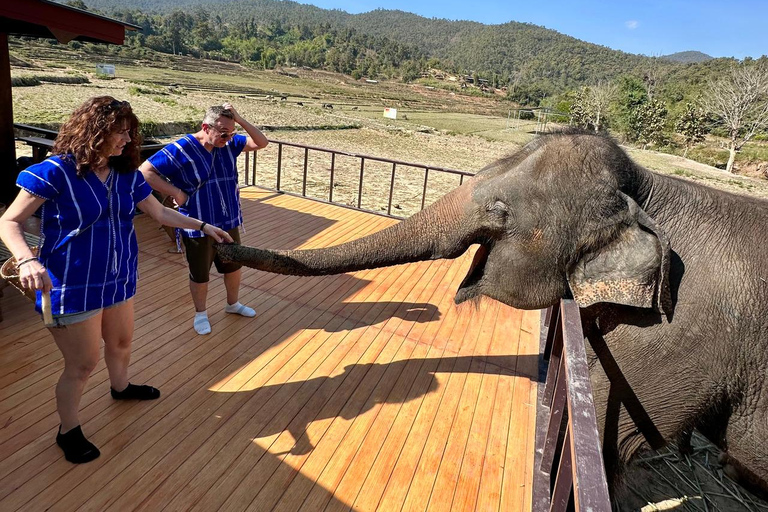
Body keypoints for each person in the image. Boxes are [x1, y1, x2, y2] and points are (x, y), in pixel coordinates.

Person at [0, 96, 233, 464]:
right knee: (82, 364)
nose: (127, 139)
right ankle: (68, 430)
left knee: (121, 343)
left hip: (118, 276)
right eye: (120, 132)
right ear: (94, 131)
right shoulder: (55, 172)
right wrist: (27, 259)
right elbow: (9, 221)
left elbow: (160, 214)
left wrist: (203, 226)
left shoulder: (126, 175)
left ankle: (121, 387)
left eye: (129, 132)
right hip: (71, 283)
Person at [139, 103, 268, 335]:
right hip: (197, 223)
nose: (228, 138)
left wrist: (239, 119)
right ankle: (200, 314)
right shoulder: (183, 148)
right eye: (223, 133)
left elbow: (261, 142)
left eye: (232, 133)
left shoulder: (229, 143)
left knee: (233, 266)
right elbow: (145, 172)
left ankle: (232, 304)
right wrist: (176, 192)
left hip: (229, 219)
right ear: (206, 127)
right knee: (200, 273)